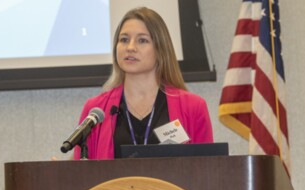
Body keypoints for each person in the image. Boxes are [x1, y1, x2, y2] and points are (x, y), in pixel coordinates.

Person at [73, 7, 214, 160]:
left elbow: (206, 171)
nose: (130, 47)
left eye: (142, 40)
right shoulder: (96, 111)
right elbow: (82, 174)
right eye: (124, 39)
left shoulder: (193, 107)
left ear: (161, 50)